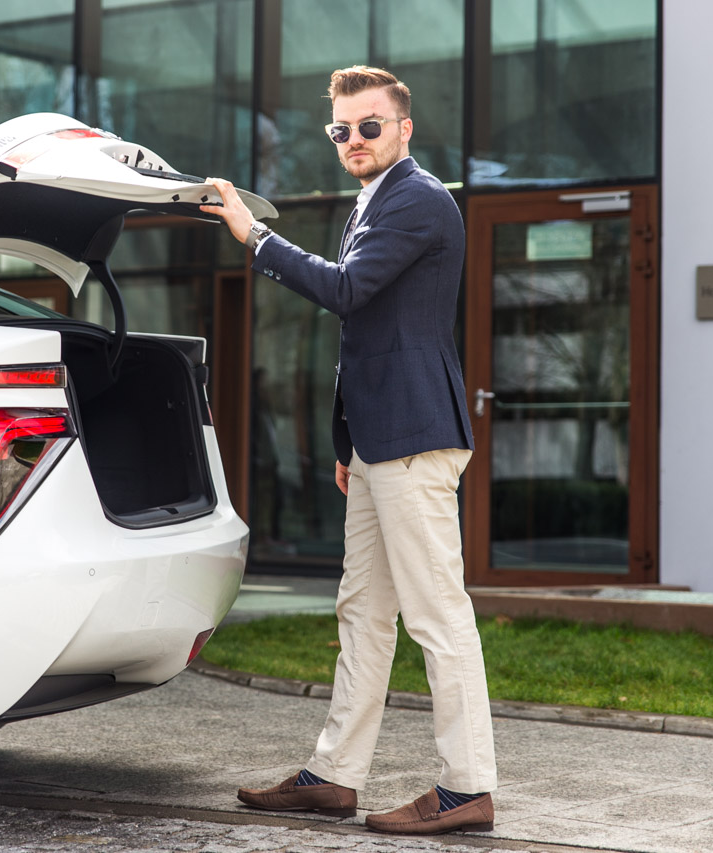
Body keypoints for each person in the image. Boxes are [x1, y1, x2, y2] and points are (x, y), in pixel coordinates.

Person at [200, 66, 497, 836]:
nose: (354, 140)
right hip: (376, 442)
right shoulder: (373, 201)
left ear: (404, 128)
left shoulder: (419, 199)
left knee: (437, 612)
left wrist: (254, 234)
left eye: (369, 126)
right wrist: (348, 440)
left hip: (412, 438)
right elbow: (370, 329)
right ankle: (335, 775)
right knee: (363, 610)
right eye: (341, 129)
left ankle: (467, 787)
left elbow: (346, 292)